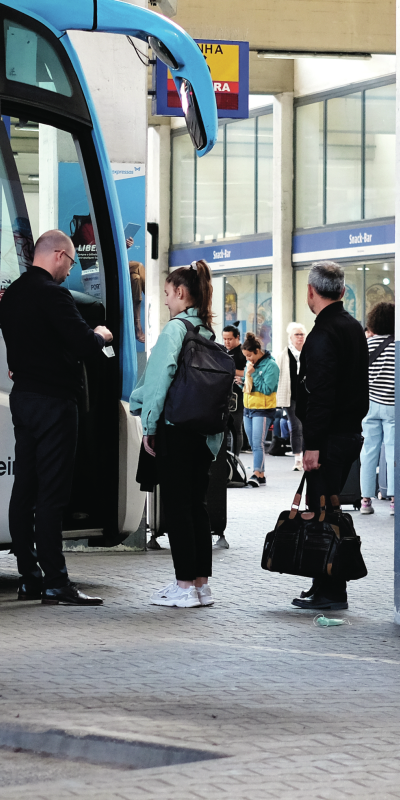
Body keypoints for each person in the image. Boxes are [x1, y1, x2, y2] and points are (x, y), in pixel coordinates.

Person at [0, 229, 113, 606]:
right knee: (52, 494)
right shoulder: (54, 294)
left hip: (23, 399)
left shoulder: (11, 296)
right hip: (54, 402)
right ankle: (56, 581)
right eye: (71, 263)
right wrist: (100, 335)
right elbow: (83, 345)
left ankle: (29, 577)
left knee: (24, 489)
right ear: (60, 255)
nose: (70, 271)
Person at [129, 260, 225, 608]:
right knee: (196, 507)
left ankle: (183, 585)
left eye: (169, 294)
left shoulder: (175, 330)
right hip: (203, 435)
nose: (167, 301)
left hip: (175, 430)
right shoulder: (208, 333)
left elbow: (158, 382)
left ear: (182, 293)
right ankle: (201, 586)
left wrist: (149, 427)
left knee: (177, 508)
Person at [288, 260, 369, 613]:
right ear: (342, 290)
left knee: (321, 511)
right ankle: (324, 581)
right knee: (329, 510)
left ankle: (331, 591)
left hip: (329, 439)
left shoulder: (322, 335)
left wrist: (313, 444)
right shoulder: (352, 328)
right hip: (350, 433)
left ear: (311, 291)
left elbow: (320, 395)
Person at [358, 302, 395, 513]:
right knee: (392, 452)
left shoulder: (366, 346)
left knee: (368, 451)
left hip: (369, 405)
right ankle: (394, 500)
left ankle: (365, 500)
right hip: (393, 405)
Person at [240, 334, 279, 488]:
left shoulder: (271, 366)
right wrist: (242, 382)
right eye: (246, 356)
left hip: (263, 409)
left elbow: (268, 389)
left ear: (257, 351)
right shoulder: (249, 365)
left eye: (250, 355)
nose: (248, 359)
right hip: (248, 407)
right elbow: (249, 387)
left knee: (258, 443)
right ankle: (261, 474)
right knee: (252, 443)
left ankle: (257, 473)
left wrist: (252, 373)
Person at [283, 322, 307, 465]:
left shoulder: (309, 351)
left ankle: (306, 454)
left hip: (307, 395)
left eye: (302, 334)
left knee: (307, 426)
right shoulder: (284, 354)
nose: (300, 337)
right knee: (296, 426)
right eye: (297, 334)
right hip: (290, 395)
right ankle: (298, 457)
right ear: (291, 337)